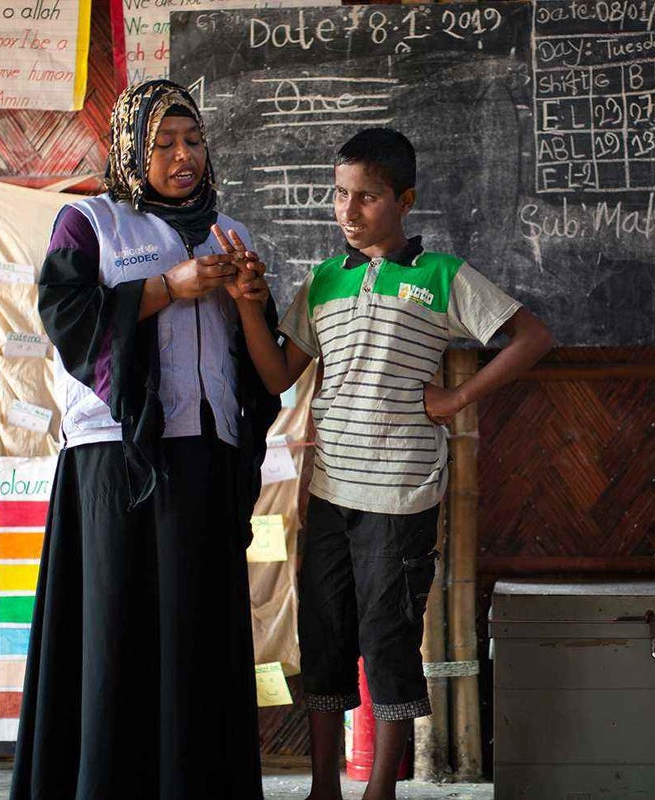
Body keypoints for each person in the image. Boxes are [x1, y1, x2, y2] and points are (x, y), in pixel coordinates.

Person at [221, 127, 553, 800]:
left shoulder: (441, 277)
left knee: (390, 641)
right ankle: (323, 786)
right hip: (330, 491)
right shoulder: (321, 281)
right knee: (324, 636)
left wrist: (458, 396)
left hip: (400, 496)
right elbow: (277, 374)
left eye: (367, 197)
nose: (349, 210)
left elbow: (531, 337)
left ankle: (380, 792)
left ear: (404, 200)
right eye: (340, 194)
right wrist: (247, 307)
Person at [9, 79, 278, 800]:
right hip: (114, 462)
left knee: (195, 642)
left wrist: (248, 299)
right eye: (162, 143)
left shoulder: (235, 233)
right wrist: (168, 286)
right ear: (131, 148)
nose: (182, 157)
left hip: (204, 460)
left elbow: (263, 367)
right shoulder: (89, 223)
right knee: (115, 635)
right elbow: (68, 321)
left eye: (192, 141)